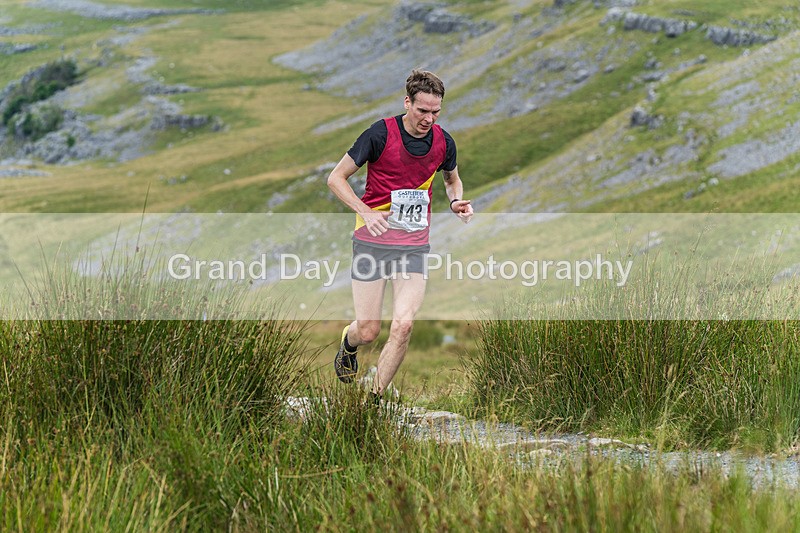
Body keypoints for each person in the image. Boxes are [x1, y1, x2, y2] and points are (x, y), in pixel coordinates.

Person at [326, 69, 473, 401]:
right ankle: (348, 344)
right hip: (371, 242)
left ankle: (374, 403)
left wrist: (455, 202)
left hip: (413, 246)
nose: (429, 119)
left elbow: (451, 179)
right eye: (422, 110)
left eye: (436, 112)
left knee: (404, 325)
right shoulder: (379, 134)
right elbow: (336, 178)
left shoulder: (444, 141)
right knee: (369, 330)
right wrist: (364, 211)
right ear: (407, 102)